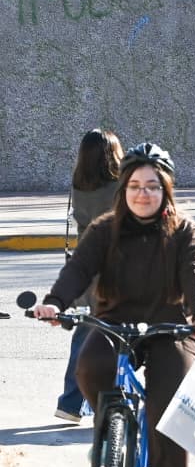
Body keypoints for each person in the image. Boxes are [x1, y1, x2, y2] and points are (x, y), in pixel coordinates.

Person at [34, 143, 195, 467]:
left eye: (152, 186)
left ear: (165, 190)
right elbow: (78, 269)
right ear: (124, 189)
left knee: (168, 413)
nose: (142, 193)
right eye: (134, 185)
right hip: (115, 323)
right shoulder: (105, 228)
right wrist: (55, 303)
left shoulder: (185, 230)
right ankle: (108, 435)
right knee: (89, 367)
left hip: (169, 327)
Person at [56, 128, 123, 424]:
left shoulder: (79, 185)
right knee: (117, 337)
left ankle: (70, 402)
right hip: (114, 267)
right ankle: (105, 401)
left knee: (84, 334)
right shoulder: (120, 187)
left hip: (85, 267)